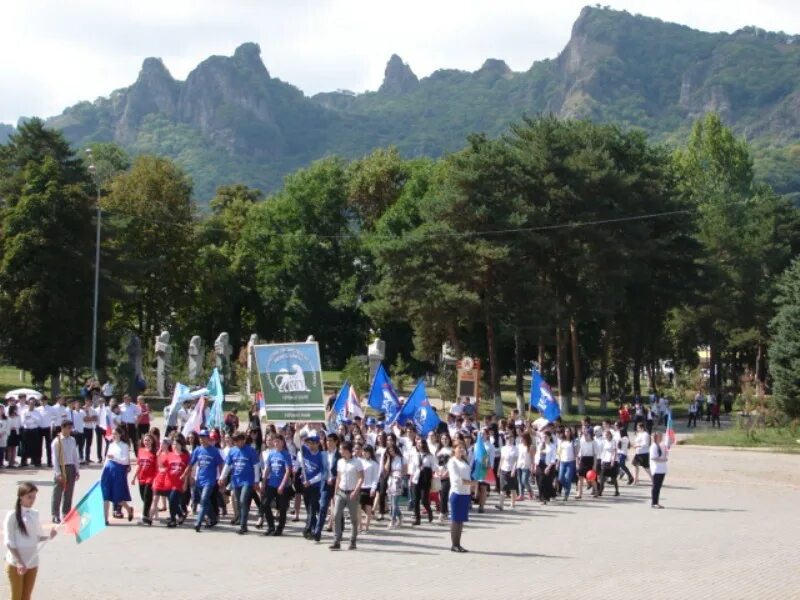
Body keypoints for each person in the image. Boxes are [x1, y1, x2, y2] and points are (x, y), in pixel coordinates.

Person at [4, 482, 57, 600]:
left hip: (32, 561)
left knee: (26, 596)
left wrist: (49, 536)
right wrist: (19, 562)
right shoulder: (12, 515)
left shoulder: (34, 513)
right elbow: (9, 542)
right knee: (16, 597)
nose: (32, 500)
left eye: (34, 496)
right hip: (15, 563)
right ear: (21, 497)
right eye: (29, 497)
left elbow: (37, 537)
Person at [183, 429, 224, 533]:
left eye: (204, 437)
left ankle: (198, 522)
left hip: (210, 481)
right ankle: (213, 518)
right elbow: (191, 464)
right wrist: (184, 474)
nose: (202, 439)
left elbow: (220, 464)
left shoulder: (214, 451)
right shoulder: (197, 450)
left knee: (203, 500)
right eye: (200, 437)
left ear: (208, 439)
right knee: (205, 501)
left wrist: (221, 478)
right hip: (199, 480)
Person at [219, 431, 260, 534]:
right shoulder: (232, 451)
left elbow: (256, 467)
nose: (237, 443)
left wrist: (256, 481)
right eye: (235, 441)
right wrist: (222, 477)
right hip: (236, 480)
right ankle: (242, 523)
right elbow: (228, 465)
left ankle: (243, 525)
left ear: (244, 440)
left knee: (243, 501)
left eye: (239, 440)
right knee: (239, 503)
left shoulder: (251, 451)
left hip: (248, 481)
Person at [329, 441, 364, 551]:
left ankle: (353, 540)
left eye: (341, 449)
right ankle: (337, 540)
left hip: (352, 493)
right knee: (336, 515)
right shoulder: (340, 462)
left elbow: (361, 478)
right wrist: (335, 493)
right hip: (341, 491)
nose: (340, 451)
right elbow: (338, 478)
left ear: (347, 450)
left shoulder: (357, 462)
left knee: (353, 518)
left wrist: (355, 491)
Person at [100, 426, 134, 525]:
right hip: (108, 471)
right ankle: (105, 519)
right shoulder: (111, 445)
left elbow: (125, 461)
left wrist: (114, 458)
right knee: (106, 495)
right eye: (113, 434)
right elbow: (106, 459)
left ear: (120, 434)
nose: (113, 436)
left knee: (117, 497)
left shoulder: (124, 446)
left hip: (118, 471)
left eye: (115, 434)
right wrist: (102, 473)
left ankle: (128, 509)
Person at [261, 434, 292, 536]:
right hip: (271, 484)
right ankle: (271, 526)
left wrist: (282, 485)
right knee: (265, 504)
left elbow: (288, 471)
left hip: (282, 485)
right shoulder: (271, 454)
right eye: (275, 441)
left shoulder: (286, 454)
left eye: (278, 441)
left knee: (282, 507)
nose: (276, 443)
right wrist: (264, 482)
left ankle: (280, 528)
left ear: (282, 443)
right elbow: (268, 469)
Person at [447, 441, 475, 553]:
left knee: (461, 520)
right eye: (459, 447)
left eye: (463, 448)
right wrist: (471, 483)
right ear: (454, 449)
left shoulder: (464, 461)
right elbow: (457, 480)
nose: (462, 449)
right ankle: (454, 544)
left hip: (465, 493)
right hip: (456, 493)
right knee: (455, 520)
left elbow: (468, 475)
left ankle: (458, 544)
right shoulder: (452, 462)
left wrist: (472, 487)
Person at [50, 420, 80, 524]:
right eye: (68, 428)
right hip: (61, 467)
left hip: (70, 467)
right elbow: (54, 458)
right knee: (57, 493)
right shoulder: (57, 441)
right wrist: (58, 473)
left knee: (69, 493)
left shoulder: (72, 440)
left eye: (71, 428)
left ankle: (66, 513)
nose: (70, 430)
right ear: (62, 428)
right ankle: (55, 514)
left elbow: (75, 456)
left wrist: (77, 470)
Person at [131, 433, 157, 526]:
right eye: (145, 440)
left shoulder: (155, 453)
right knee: (144, 497)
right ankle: (148, 516)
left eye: (149, 440)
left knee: (147, 496)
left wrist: (155, 479)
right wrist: (134, 477)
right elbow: (138, 464)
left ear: (152, 441)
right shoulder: (141, 451)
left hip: (150, 478)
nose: (147, 442)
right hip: (141, 477)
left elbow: (157, 467)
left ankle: (144, 517)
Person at [411, 439, 435, 525]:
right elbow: (412, 468)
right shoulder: (415, 455)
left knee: (424, 499)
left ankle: (429, 511)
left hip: (425, 478)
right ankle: (417, 519)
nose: (419, 445)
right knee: (415, 500)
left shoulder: (429, 456)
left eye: (421, 443)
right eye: (418, 444)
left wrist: (426, 469)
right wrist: (411, 478)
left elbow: (433, 468)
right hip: (416, 478)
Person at [358, 445, 379, 532]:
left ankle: (366, 527)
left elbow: (375, 478)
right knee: (358, 508)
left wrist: (373, 489)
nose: (365, 453)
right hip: (359, 487)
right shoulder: (359, 461)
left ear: (370, 453)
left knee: (368, 508)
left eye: (367, 451)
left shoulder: (374, 464)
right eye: (363, 451)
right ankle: (359, 526)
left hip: (369, 487)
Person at [384, 444, 404, 528]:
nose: (391, 452)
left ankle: (393, 520)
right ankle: (399, 516)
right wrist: (388, 458)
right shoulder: (390, 459)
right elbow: (386, 469)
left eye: (392, 450)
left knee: (394, 501)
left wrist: (400, 476)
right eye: (389, 451)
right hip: (391, 479)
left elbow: (405, 469)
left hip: (398, 479)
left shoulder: (401, 458)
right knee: (391, 500)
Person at [497, 433, 518, 510]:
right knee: (503, 488)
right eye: (507, 438)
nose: (509, 439)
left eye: (510, 438)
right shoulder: (503, 448)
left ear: (513, 439)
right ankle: (501, 505)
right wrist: (499, 469)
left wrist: (513, 470)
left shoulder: (515, 448)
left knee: (512, 488)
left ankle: (513, 504)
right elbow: (502, 459)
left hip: (511, 470)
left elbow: (516, 460)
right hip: (503, 469)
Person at [649, 431, 668, 508]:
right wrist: (663, 459)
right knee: (656, 486)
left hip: (662, 469)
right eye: (660, 436)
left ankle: (656, 502)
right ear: (656, 437)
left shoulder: (660, 445)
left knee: (658, 487)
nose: (662, 438)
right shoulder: (653, 446)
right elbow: (653, 458)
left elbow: (665, 454)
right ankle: (654, 503)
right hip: (656, 469)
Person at [556, 428, 576, 502]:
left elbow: (576, 453)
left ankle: (566, 495)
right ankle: (567, 488)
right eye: (565, 431)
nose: (566, 433)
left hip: (570, 462)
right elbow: (559, 453)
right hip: (562, 461)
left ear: (570, 433)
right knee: (560, 478)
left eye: (568, 431)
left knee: (568, 478)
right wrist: (558, 462)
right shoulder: (561, 442)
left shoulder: (573, 441)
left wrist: (576, 462)